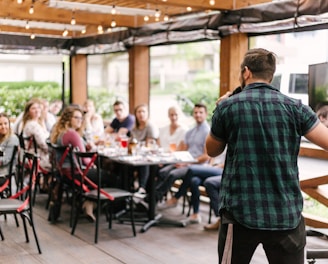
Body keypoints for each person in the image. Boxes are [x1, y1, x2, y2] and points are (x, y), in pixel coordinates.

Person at [206, 48, 328, 264]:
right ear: (271, 75)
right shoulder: (296, 108)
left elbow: (212, 150)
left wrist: (219, 108)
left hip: (240, 212)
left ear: (246, 72)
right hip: (285, 213)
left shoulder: (228, 107)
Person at [50, 105, 109, 222]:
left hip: (64, 173)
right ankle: (104, 207)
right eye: (76, 118)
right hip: (77, 173)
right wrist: (93, 165)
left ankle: (89, 202)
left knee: (102, 173)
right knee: (111, 177)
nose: (80, 121)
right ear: (68, 119)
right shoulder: (72, 134)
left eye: (81, 118)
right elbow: (84, 160)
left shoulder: (60, 133)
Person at [155, 103, 210, 222]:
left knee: (172, 174)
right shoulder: (190, 131)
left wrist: (188, 163)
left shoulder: (208, 132)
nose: (198, 115)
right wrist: (178, 160)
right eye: (195, 112)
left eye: (201, 112)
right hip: (185, 163)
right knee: (163, 171)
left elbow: (206, 156)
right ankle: (154, 198)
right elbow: (183, 149)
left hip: (198, 165)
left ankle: (155, 199)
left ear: (206, 114)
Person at [159, 149, 226, 225]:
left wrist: (213, 167)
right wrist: (209, 166)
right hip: (209, 168)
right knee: (194, 181)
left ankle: (176, 197)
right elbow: (211, 157)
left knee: (191, 169)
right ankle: (196, 214)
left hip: (220, 170)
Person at [130, 104, 159, 195]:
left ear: (147, 114)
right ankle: (128, 189)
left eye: (143, 111)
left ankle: (142, 189)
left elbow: (149, 145)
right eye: (139, 112)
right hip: (136, 156)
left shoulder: (150, 126)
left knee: (144, 163)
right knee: (123, 166)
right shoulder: (134, 128)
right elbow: (130, 143)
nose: (141, 114)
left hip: (150, 157)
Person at [0, 113, 19, 189]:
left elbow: (5, 160)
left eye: (5, 123)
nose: (3, 126)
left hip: (5, 173)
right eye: (0, 124)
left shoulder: (12, 139)